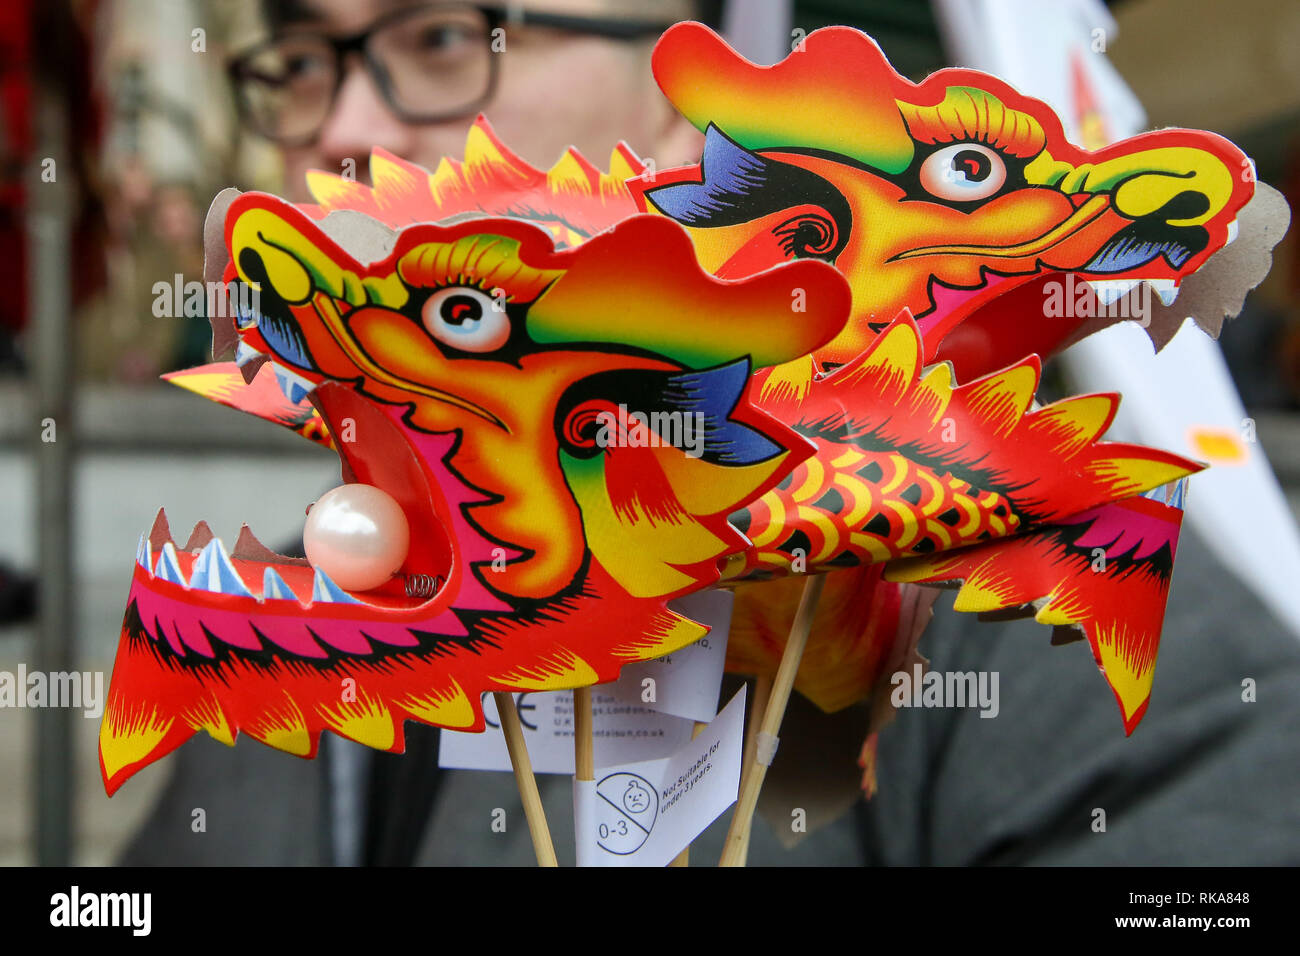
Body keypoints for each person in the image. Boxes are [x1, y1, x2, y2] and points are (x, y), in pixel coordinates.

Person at [121, 1, 1300, 867]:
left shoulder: (1026, 599)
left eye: (442, 39)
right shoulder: (283, 613)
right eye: (298, 58)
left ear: (699, 123)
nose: (341, 126)